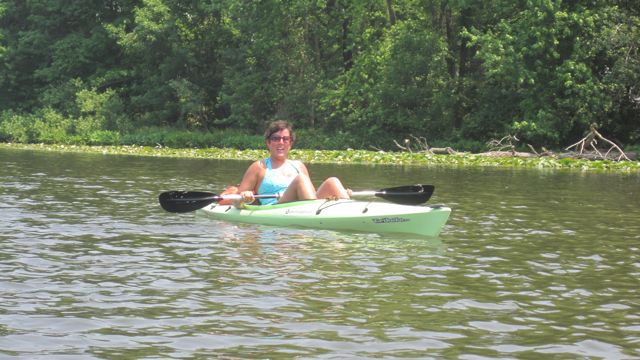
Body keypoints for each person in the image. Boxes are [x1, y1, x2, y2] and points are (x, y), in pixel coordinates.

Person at [233, 120, 350, 207]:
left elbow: (310, 194)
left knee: (332, 182)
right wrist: (244, 197)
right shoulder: (259, 167)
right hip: (276, 208)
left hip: (304, 205)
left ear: (290, 143)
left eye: (285, 139)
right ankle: (313, 215)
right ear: (268, 143)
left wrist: (338, 192)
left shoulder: (299, 166)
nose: (281, 142)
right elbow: (235, 200)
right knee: (301, 179)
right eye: (275, 138)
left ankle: (350, 210)